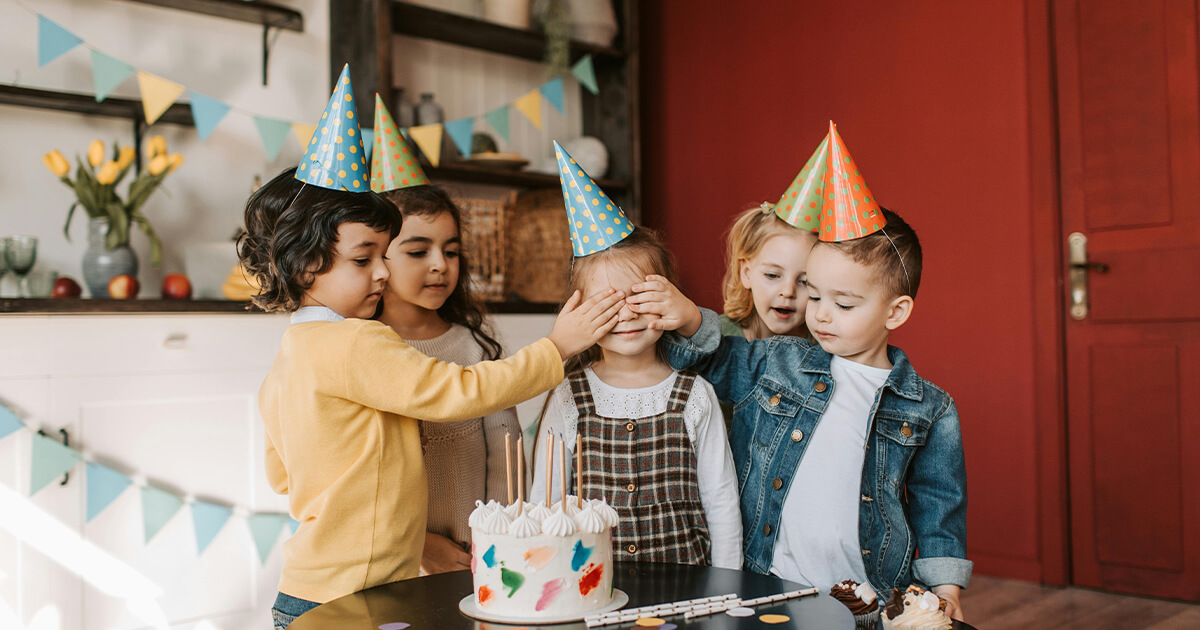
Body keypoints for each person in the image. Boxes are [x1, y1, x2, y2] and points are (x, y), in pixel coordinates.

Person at [243, 72, 627, 630]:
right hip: (356, 594)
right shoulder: (355, 342)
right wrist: (556, 347)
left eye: (383, 255)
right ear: (306, 265)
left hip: (309, 589)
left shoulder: (290, 357)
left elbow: (282, 475)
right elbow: (458, 391)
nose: (381, 272)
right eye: (363, 259)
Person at [632, 125, 970, 620]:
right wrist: (686, 315)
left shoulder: (929, 408)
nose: (820, 314)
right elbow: (714, 357)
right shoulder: (781, 362)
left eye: (844, 303)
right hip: (770, 580)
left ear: (895, 313)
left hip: (870, 600)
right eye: (815, 295)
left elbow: (939, 504)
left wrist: (948, 590)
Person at [528, 142, 742, 570]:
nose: (625, 314)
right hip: (591, 583)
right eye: (606, 303)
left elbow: (721, 503)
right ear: (575, 310)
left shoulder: (695, 394)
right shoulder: (568, 396)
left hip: (689, 587)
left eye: (638, 297)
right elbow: (545, 501)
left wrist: (727, 585)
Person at [376, 184, 521, 575]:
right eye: (419, 251)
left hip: (478, 556)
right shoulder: (366, 353)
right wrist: (417, 543)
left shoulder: (476, 348)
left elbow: (505, 456)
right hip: (396, 560)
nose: (440, 264)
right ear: (376, 258)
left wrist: (495, 537)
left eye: (451, 251)